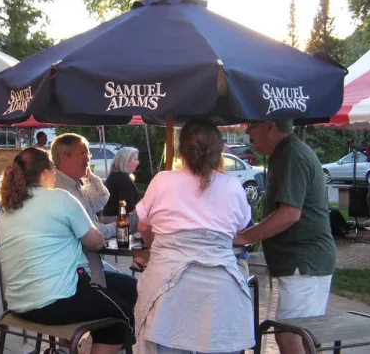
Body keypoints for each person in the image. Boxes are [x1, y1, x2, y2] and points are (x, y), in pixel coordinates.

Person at [0, 148, 134, 354]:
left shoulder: (7, 208)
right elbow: (95, 242)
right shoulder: (60, 198)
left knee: (123, 289)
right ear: (45, 173)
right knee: (122, 318)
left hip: (18, 304)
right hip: (57, 301)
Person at [135, 118, 254, 354]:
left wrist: (155, 251)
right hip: (221, 291)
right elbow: (242, 231)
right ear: (218, 151)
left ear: (180, 151)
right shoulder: (233, 186)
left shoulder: (162, 181)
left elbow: (144, 228)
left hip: (169, 290)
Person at [235, 119, 335, 354]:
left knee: (290, 335)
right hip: (300, 262)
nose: (248, 131)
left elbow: (289, 214)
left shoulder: (292, 154)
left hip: (304, 262)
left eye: (253, 125)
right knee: (298, 335)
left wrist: (243, 237)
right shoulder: (286, 153)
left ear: (270, 126)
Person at [51, 133, 138, 307]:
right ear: (63, 156)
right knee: (133, 290)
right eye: (82, 154)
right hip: (78, 273)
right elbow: (93, 234)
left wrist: (90, 176)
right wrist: (121, 226)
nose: (88, 159)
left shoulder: (74, 184)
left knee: (131, 285)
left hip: (86, 264)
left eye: (88, 154)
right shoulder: (61, 190)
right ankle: (110, 330)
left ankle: (111, 329)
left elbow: (102, 198)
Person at [102, 147, 140, 219]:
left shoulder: (115, 175)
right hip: (117, 221)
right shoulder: (123, 179)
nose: (138, 162)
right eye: (135, 159)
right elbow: (129, 207)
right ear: (126, 161)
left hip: (110, 218)